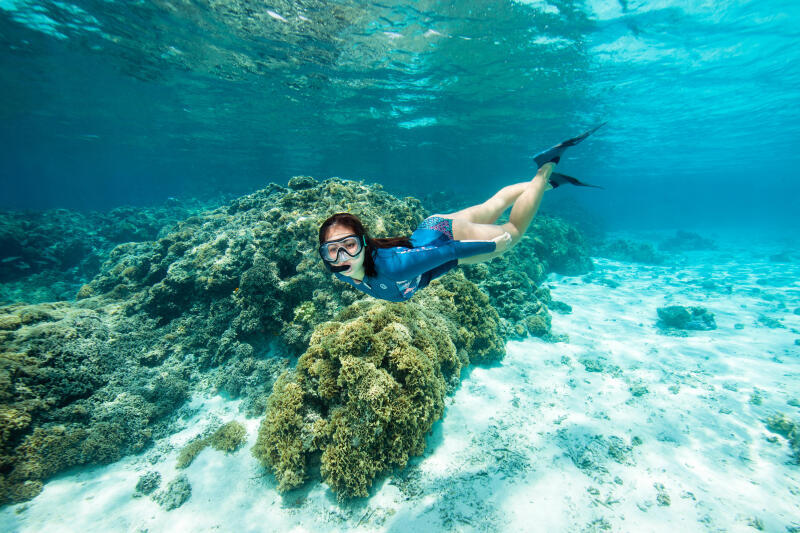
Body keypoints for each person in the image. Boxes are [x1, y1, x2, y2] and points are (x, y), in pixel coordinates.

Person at [318, 125, 604, 302]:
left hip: (444, 238)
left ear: (364, 244)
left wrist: (492, 245)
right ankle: (545, 186)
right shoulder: (342, 273)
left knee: (513, 231)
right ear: (325, 255)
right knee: (490, 206)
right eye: (333, 251)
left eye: (350, 246)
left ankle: (546, 168)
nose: (342, 257)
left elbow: (448, 252)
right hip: (432, 226)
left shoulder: (393, 267)